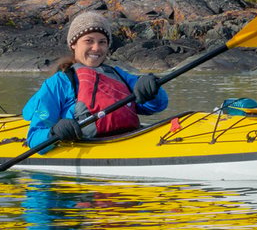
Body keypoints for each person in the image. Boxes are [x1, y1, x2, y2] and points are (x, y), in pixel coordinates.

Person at [22, 11, 167, 149]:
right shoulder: (59, 83)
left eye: (102, 42)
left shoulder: (120, 75)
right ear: (74, 44)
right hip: (85, 147)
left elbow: (156, 106)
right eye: (89, 41)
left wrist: (153, 90)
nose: (96, 48)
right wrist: (53, 132)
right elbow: (34, 138)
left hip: (127, 139)